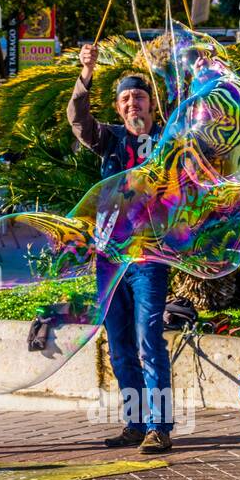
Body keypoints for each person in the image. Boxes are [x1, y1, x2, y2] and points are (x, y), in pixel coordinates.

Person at [68, 41, 172, 455]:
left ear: (151, 106)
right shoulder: (108, 140)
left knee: (150, 341)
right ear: (118, 108)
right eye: (126, 99)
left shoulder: (167, 141)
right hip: (111, 258)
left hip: (149, 258)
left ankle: (159, 426)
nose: (134, 105)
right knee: (120, 344)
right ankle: (134, 422)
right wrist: (86, 72)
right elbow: (77, 118)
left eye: (140, 98)